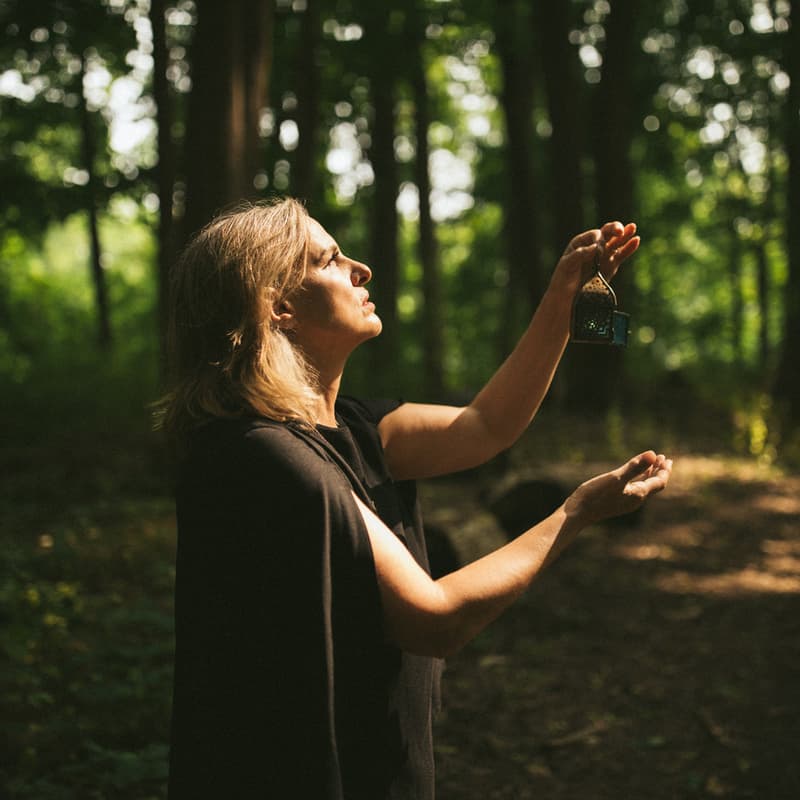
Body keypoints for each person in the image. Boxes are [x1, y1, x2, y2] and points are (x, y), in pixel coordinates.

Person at [158, 197, 672, 799]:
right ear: (280, 306)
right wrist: (574, 513)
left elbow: (486, 426)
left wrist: (563, 295)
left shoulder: (350, 428)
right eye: (330, 259)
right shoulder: (265, 457)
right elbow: (434, 619)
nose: (361, 268)